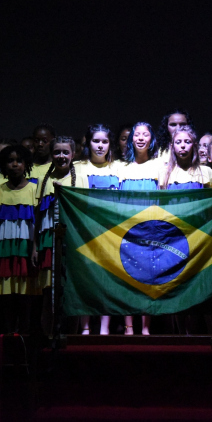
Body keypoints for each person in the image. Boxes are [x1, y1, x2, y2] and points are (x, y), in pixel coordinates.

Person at [74, 125, 120, 335]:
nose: (100, 145)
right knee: (85, 280)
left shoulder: (118, 167)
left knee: (107, 281)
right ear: (88, 142)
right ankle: (84, 327)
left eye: (105, 141)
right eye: (96, 141)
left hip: (110, 233)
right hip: (84, 231)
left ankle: (104, 328)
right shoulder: (77, 167)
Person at [0, 145, 38, 333]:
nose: (15, 164)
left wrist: (34, 248)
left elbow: (38, 223)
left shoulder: (35, 189)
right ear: (3, 164)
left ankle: (25, 341)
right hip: (3, 250)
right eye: (10, 161)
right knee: (6, 299)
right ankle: (8, 340)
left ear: (26, 164)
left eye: (19, 160)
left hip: (25, 248)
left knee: (26, 299)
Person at [119, 122, 160, 335]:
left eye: (146, 134)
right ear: (131, 139)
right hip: (128, 233)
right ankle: (128, 327)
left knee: (148, 280)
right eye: (137, 134)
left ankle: (145, 328)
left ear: (151, 138)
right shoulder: (121, 168)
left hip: (151, 232)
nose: (141, 138)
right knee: (128, 278)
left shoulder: (159, 166)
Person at [35, 137, 77, 335]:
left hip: (71, 242)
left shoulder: (81, 177)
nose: (61, 156)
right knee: (47, 292)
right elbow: (36, 216)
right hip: (47, 242)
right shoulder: (42, 178)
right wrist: (35, 246)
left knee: (69, 291)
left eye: (65, 152)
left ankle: (71, 338)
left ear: (73, 155)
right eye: (57, 152)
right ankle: (47, 337)